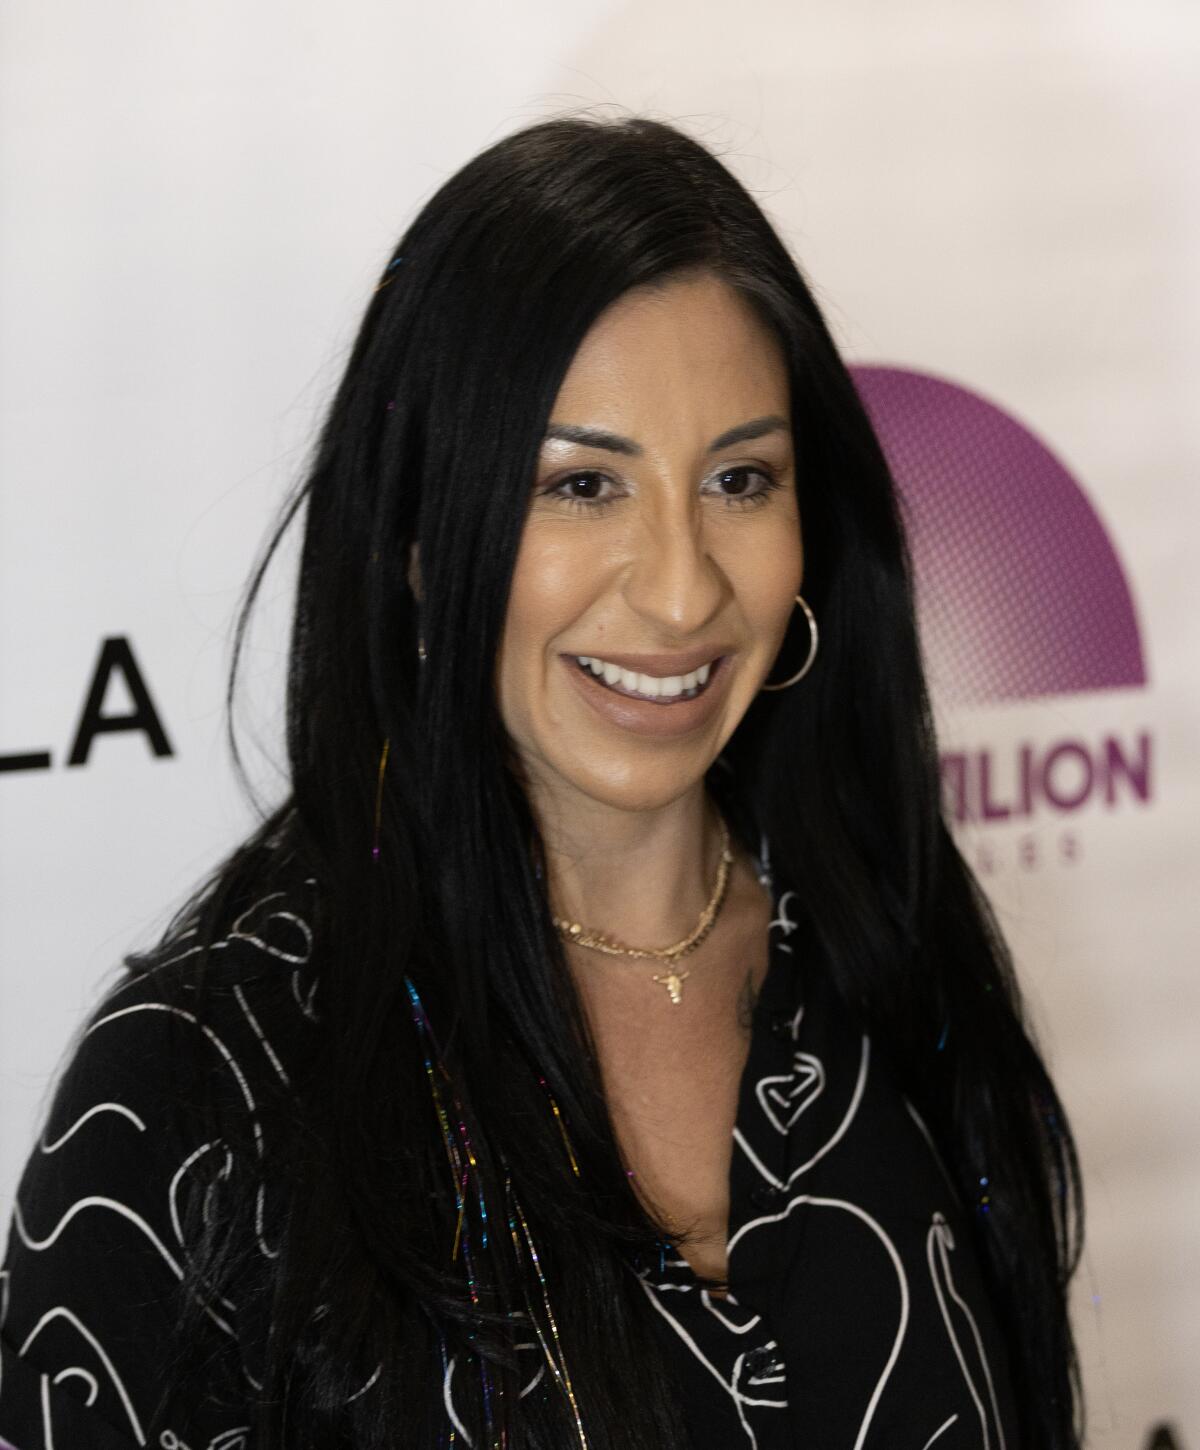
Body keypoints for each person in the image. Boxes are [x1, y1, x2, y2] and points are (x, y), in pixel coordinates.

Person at [0, 114, 1084, 1450]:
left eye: (740, 477)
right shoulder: (201, 1086)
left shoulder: (884, 949)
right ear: (410, 538)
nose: (684, 588)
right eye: (581, 486)